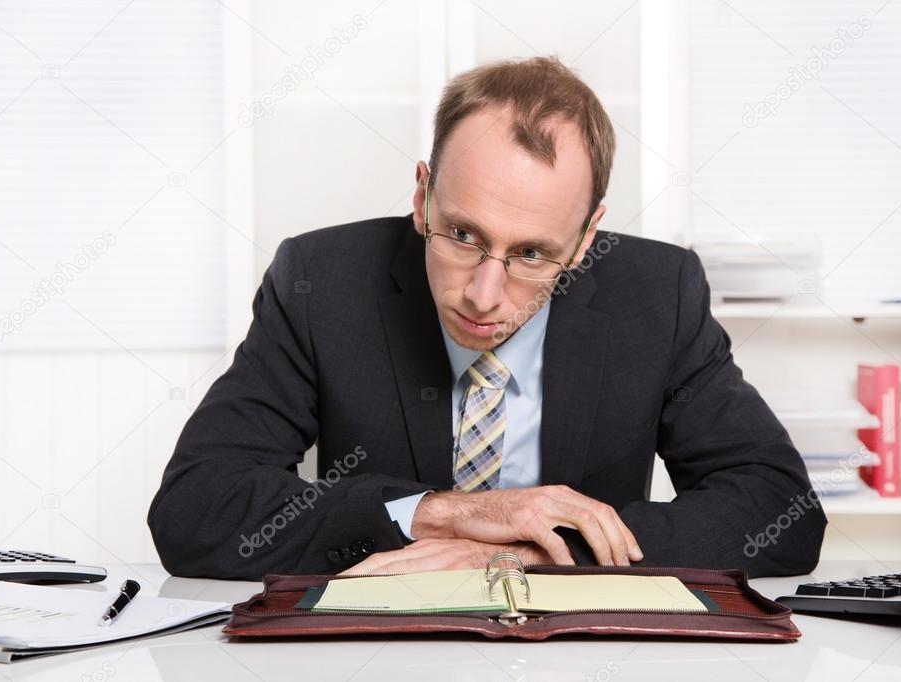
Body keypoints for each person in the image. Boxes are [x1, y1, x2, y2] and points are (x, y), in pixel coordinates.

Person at [148, 56, 825, 580]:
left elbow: (778, 513)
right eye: (462, 235)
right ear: (421, 196)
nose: (482, 293)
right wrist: (445, 515)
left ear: (587, 239)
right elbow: (196, 509)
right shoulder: (320, 281)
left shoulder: (657, 293)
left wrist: (526, 554)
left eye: (532, 253)